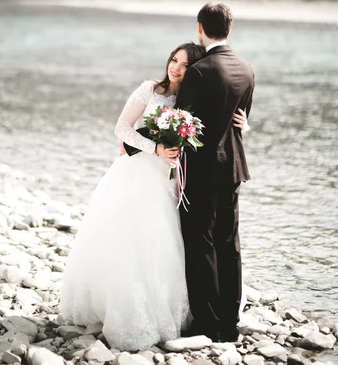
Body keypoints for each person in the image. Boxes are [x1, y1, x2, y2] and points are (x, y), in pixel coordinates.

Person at [60, 42, 249, 351]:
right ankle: (123, 309)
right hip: (137, 176)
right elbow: (122, 129)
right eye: (174, 60)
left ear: (195, 70)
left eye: (185, 64)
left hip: (170, 180)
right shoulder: (149, 90)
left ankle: (174, 310)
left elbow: (215, 129)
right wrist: (156, 148)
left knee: (168, 243)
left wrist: (245, 125)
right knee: (133, 240)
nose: (175, 67)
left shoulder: (190, 101)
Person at [176, 3, 255, 343]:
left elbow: (180, 123)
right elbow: (240, 122)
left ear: (200, 28)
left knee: (200, 243)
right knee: (230, 242)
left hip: (202, 170)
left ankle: (207, 323)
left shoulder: (201, 70)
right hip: (234, 167)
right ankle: (230, 322)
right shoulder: (247, 70)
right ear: (229, 28)